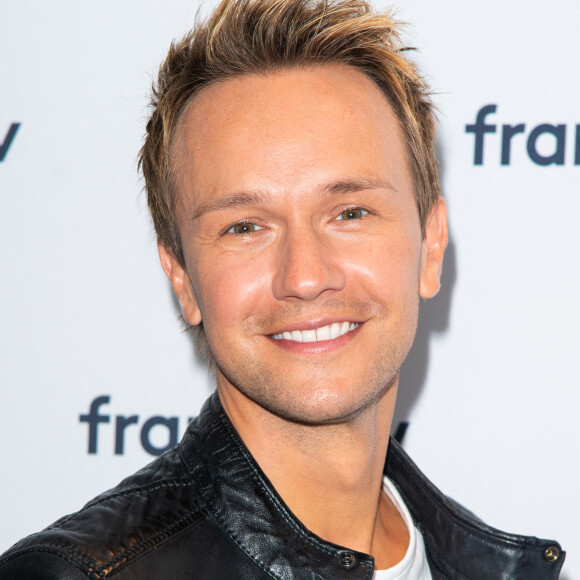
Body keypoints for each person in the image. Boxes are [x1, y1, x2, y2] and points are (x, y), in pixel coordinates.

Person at [0, 0, 565, 578]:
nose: (305, 277)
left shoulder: (485, 566)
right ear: (182, 278)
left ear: (432, 244)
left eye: (350, 212)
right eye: (245, 227)